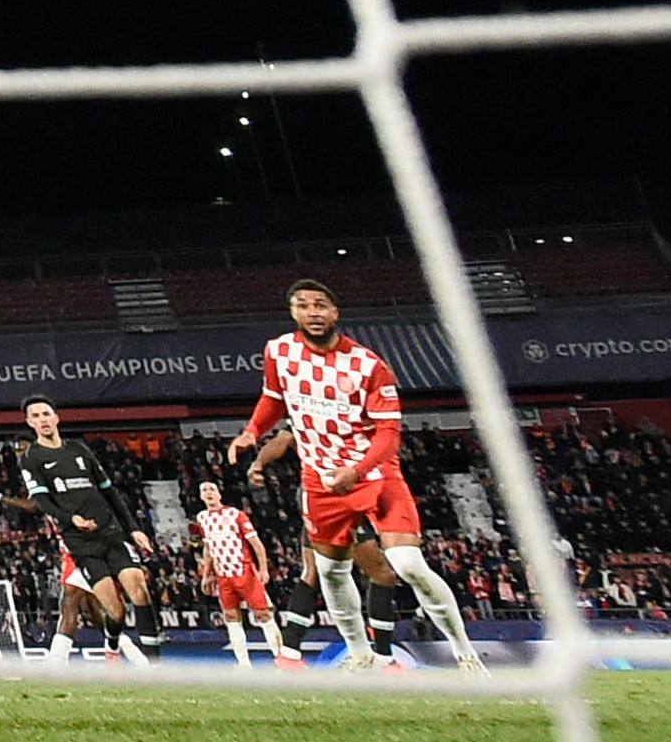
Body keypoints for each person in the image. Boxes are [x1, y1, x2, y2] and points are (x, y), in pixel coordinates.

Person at [232, 278, 482, 670]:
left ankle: (465, 652)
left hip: (374, 474)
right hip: (320, 481)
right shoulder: (278, 352)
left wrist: (358, 469)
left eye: (320, 305)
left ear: (335, 313)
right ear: (293, 312)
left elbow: (389, 433)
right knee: (329, 571)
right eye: (302, 305)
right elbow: (274, 398)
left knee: (408, 564)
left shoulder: (368, 365)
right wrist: (252, 432)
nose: (312, 312)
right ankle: (363, 657)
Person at [0, 397, 154, 659]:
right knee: (82, 604)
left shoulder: (75, 452)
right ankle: (117, 652)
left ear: (55, 417)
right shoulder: (32, 463)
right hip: (72, 542)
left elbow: (36, 505)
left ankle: (119, 651)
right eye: (36, 416)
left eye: (46, 414)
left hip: (95, 536)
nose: (21, 450)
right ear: (30, 423)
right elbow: (39, 504)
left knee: (86, 603)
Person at [193, 477, 285, 666]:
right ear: (201, 496)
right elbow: (208, 548)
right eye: (204, 491)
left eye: (211, 489)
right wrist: (206, 575)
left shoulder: (236, 515)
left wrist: (263, 570)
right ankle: (243, 664)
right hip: (222, 575)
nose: (208, 493)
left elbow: (256, 544)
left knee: (263, 614)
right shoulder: (202, 518)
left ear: (218, 493)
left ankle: (280, 658)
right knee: (231, 617)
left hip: (243, 570)